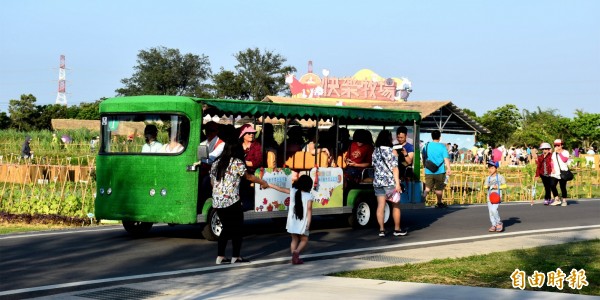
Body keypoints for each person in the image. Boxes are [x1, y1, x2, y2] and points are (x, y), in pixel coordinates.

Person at [210, 141, 269, 265]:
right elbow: (248, 177)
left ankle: (220, 257)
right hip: (232, 200)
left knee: (225, 228)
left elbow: (212, 183)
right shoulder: (237, 162)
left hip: (217, 201)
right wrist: (262, 182)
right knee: (237, 229)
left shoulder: (216, 163)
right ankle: (235, 256)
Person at [269, 175, 314, 265]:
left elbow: (280, 189)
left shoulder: (293, 191)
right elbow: (309, 210)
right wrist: (309, 223)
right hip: (302, 222)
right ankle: (296, 252)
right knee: (304, 239)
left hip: (292, 222)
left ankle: (294, 258)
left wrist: (269, 185)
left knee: (294, 239)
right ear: (309, 185)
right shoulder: (309, 196)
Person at [372, 130, 406, 237]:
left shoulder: (375, 151)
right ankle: (397, 229)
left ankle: (382, 230)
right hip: (390, 182)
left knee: (380, 205)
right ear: (389, 139)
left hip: (378, 182)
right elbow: (395, 168)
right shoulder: (393, 151)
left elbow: (374, 166)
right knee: (395, 205)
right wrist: (398, 184)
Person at [422, 130, 451, 208]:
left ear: (431, 136)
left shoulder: (426, 146)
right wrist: (449, 169)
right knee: (439, 188)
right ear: (439, 137)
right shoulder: (442, 146)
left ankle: (421, 201)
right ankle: (439, 203)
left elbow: (423, 157)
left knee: (427, 188)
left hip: (428, 170)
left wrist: (424, 166)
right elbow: (446, 159)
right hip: (440, 171)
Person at [484, 161, 506, 232]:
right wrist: (487, 186)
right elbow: (485, 186)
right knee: (490, 211)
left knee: (494, 210)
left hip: (497, 197)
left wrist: (498, 187)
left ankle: (499, 223)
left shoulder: (500, 177)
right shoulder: (488, 178)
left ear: (496, 168)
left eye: (492, 168)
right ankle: (493, 224)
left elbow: (505, 185)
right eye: (489, 168)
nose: (490, 170)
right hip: (489, 197)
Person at [550, 139, 569, 206]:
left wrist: (559, 153)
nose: (557, 146)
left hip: (563, 172)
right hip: (555, 172)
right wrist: (552, 168)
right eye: (555, 145)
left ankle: (564, 200)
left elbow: (564, 160)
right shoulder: (554, 153)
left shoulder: (565, 152)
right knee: (552, 184)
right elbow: (552, 161)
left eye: (558, 145)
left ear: (562, 145)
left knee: (562, 186)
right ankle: (556, 199)